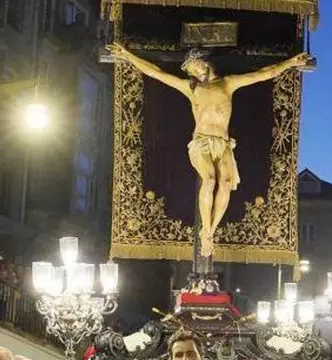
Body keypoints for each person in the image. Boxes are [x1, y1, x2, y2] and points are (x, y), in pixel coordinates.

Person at [107, 42, 312, 256]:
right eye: (189, 71)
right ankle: (206, 229)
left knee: (226, 183)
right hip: (201, 142)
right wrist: (127, 55)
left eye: (193, 67)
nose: (192, 72)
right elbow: (156, 73)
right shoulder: (192, 89)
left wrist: (290, 63)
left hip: (222, 143)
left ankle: (209, 232)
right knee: (210, 179)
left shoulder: (227, 84)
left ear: (204, 62)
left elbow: (264, 74)